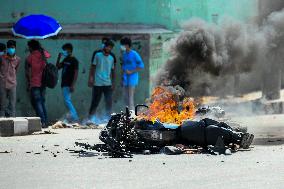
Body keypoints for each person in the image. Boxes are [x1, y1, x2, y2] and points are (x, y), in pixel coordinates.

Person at [25, 40, 50, 128]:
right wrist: (42, 48)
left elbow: (27, 72)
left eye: (29, 47)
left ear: (31, 47)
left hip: (34, 83)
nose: (28, 48)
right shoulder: (43, 54)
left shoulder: (30, 57)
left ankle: (42, 121)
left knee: (37, 102)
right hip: (43, 82)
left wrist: (28, 82)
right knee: (42, 102)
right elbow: (48, 55)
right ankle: (45, 121)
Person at [88, 40, 115, 119]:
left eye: (111, 47)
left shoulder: (111, 58)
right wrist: (91, 78)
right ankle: (90, 118)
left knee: (109, 102)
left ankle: (108, 119)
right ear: (105, 47)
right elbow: (93, 67)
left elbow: (113, 71)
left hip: (107, 83)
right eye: (108, 47)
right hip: (97, 83)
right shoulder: (97, 55)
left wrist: (113, 83)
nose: (109, 48)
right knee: (95, 102)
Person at [56, 43, 79, 123]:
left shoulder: (74, 60)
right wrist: (59, 57)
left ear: (69, 50)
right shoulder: (65, 59)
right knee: (67, 100)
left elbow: (76, 73)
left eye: (64, 49)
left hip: (69, 83)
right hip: (64, 83)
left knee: (67, 100)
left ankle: (75, 116)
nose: (63, 51)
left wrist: (73, 84)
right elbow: (57, 67)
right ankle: (71, 117)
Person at [120, 37, 144, 110]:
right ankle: (127, 114)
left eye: (123, 45)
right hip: (125, 79)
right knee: (125, 98)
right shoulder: (124, 54)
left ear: (127, 45)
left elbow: (141, 66)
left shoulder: (134, 54)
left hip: (132, 79)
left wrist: (131, 72)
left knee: (130, 98)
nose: (122, 46)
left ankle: (132, 115)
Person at [0, 40, 20, 117]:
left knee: (12, 105)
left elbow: (16, 70)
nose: (11, 49)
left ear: (15, 48)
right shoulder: (1, 58)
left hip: (12, 84)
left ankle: (13, 121)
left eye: (13, 47)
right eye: (9, 47)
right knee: (2, 105)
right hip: (2, 83)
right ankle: (1, 122)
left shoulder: (18, 59)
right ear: (7, 48)